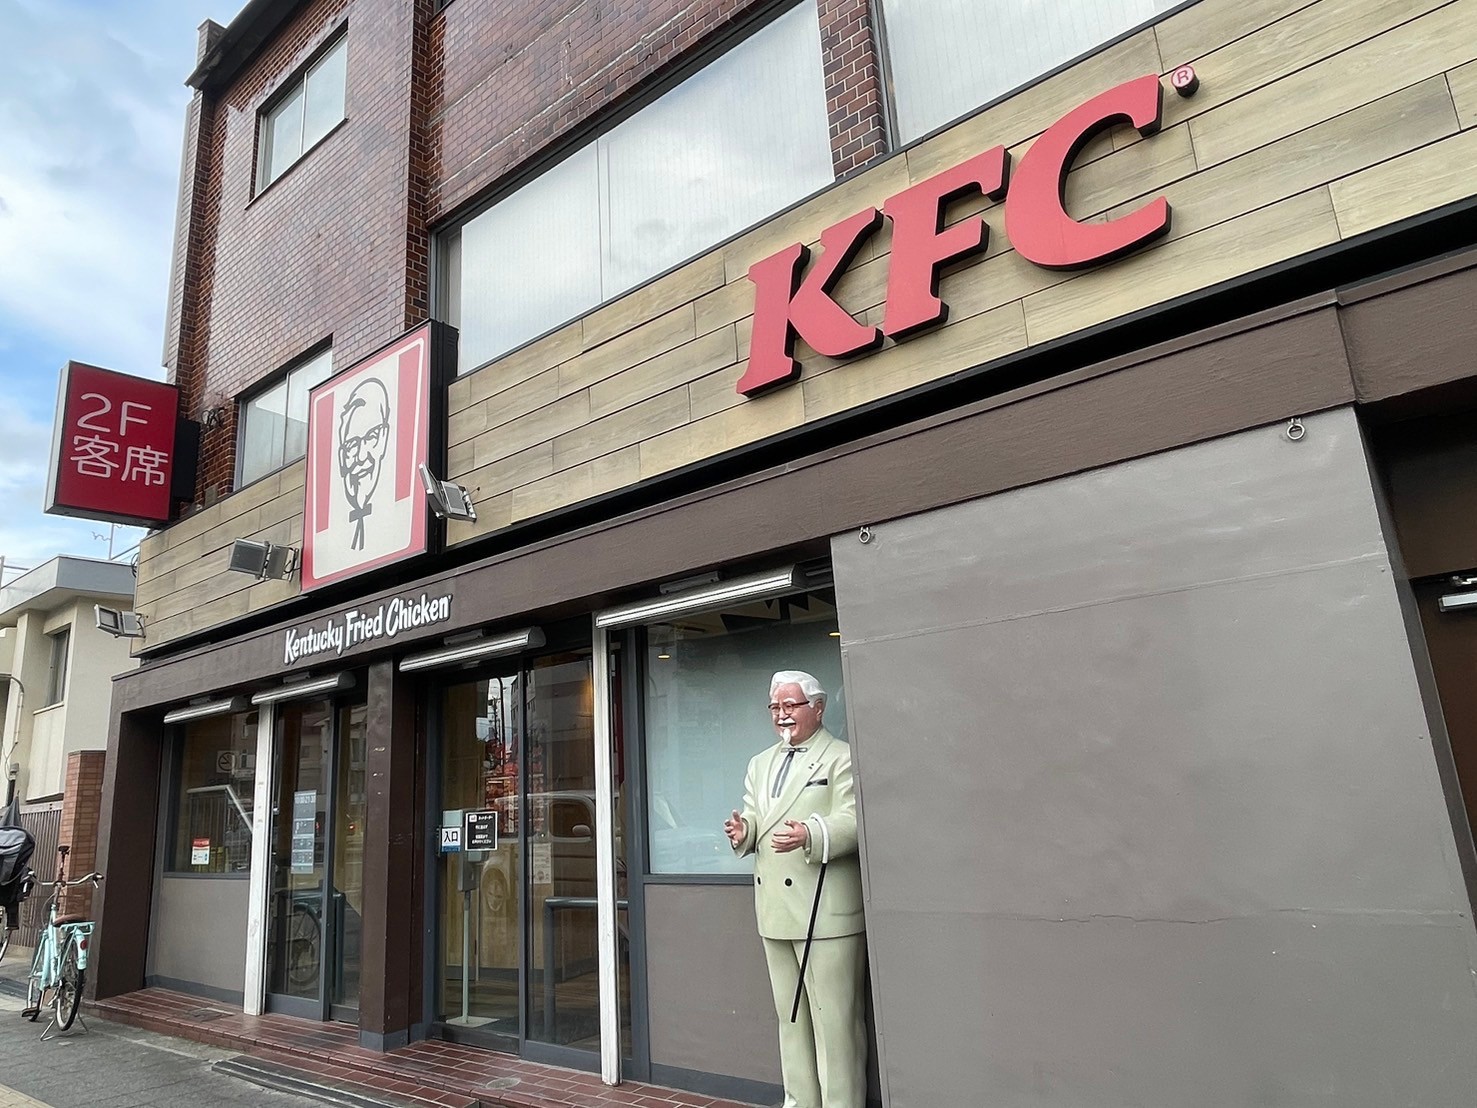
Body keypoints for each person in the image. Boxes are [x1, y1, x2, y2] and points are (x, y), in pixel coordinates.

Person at [725, 670, 866, 1108]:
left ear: (818, 708)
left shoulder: (841, 757)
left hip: (825, 909)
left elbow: (856, 819)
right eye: (775, 707)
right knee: (789, 1018)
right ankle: (799, 1101)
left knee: (835, 1023)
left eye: (790, 705)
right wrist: (744, 831)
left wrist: (812, 832)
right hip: (775, 908)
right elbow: (755, 816)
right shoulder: (759, 763)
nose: (781, 715)